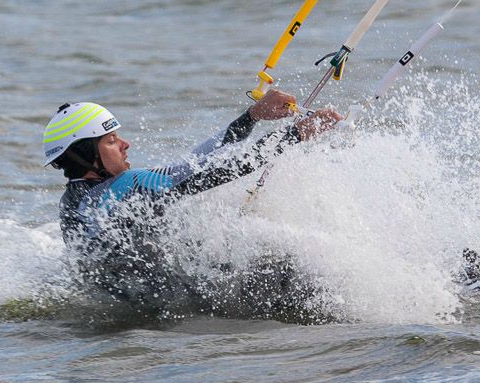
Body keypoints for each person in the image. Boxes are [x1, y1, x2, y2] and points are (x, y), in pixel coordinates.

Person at [44, 91, 342, 312]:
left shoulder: (73, 202)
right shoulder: (125, 186)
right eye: (110, 141)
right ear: (84, 154)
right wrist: (294, 134)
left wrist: (251, 117)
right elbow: (206, 169)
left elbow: (194, 163)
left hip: (149, 303)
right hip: (186, 302)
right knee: (286, 264)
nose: (125, 144)